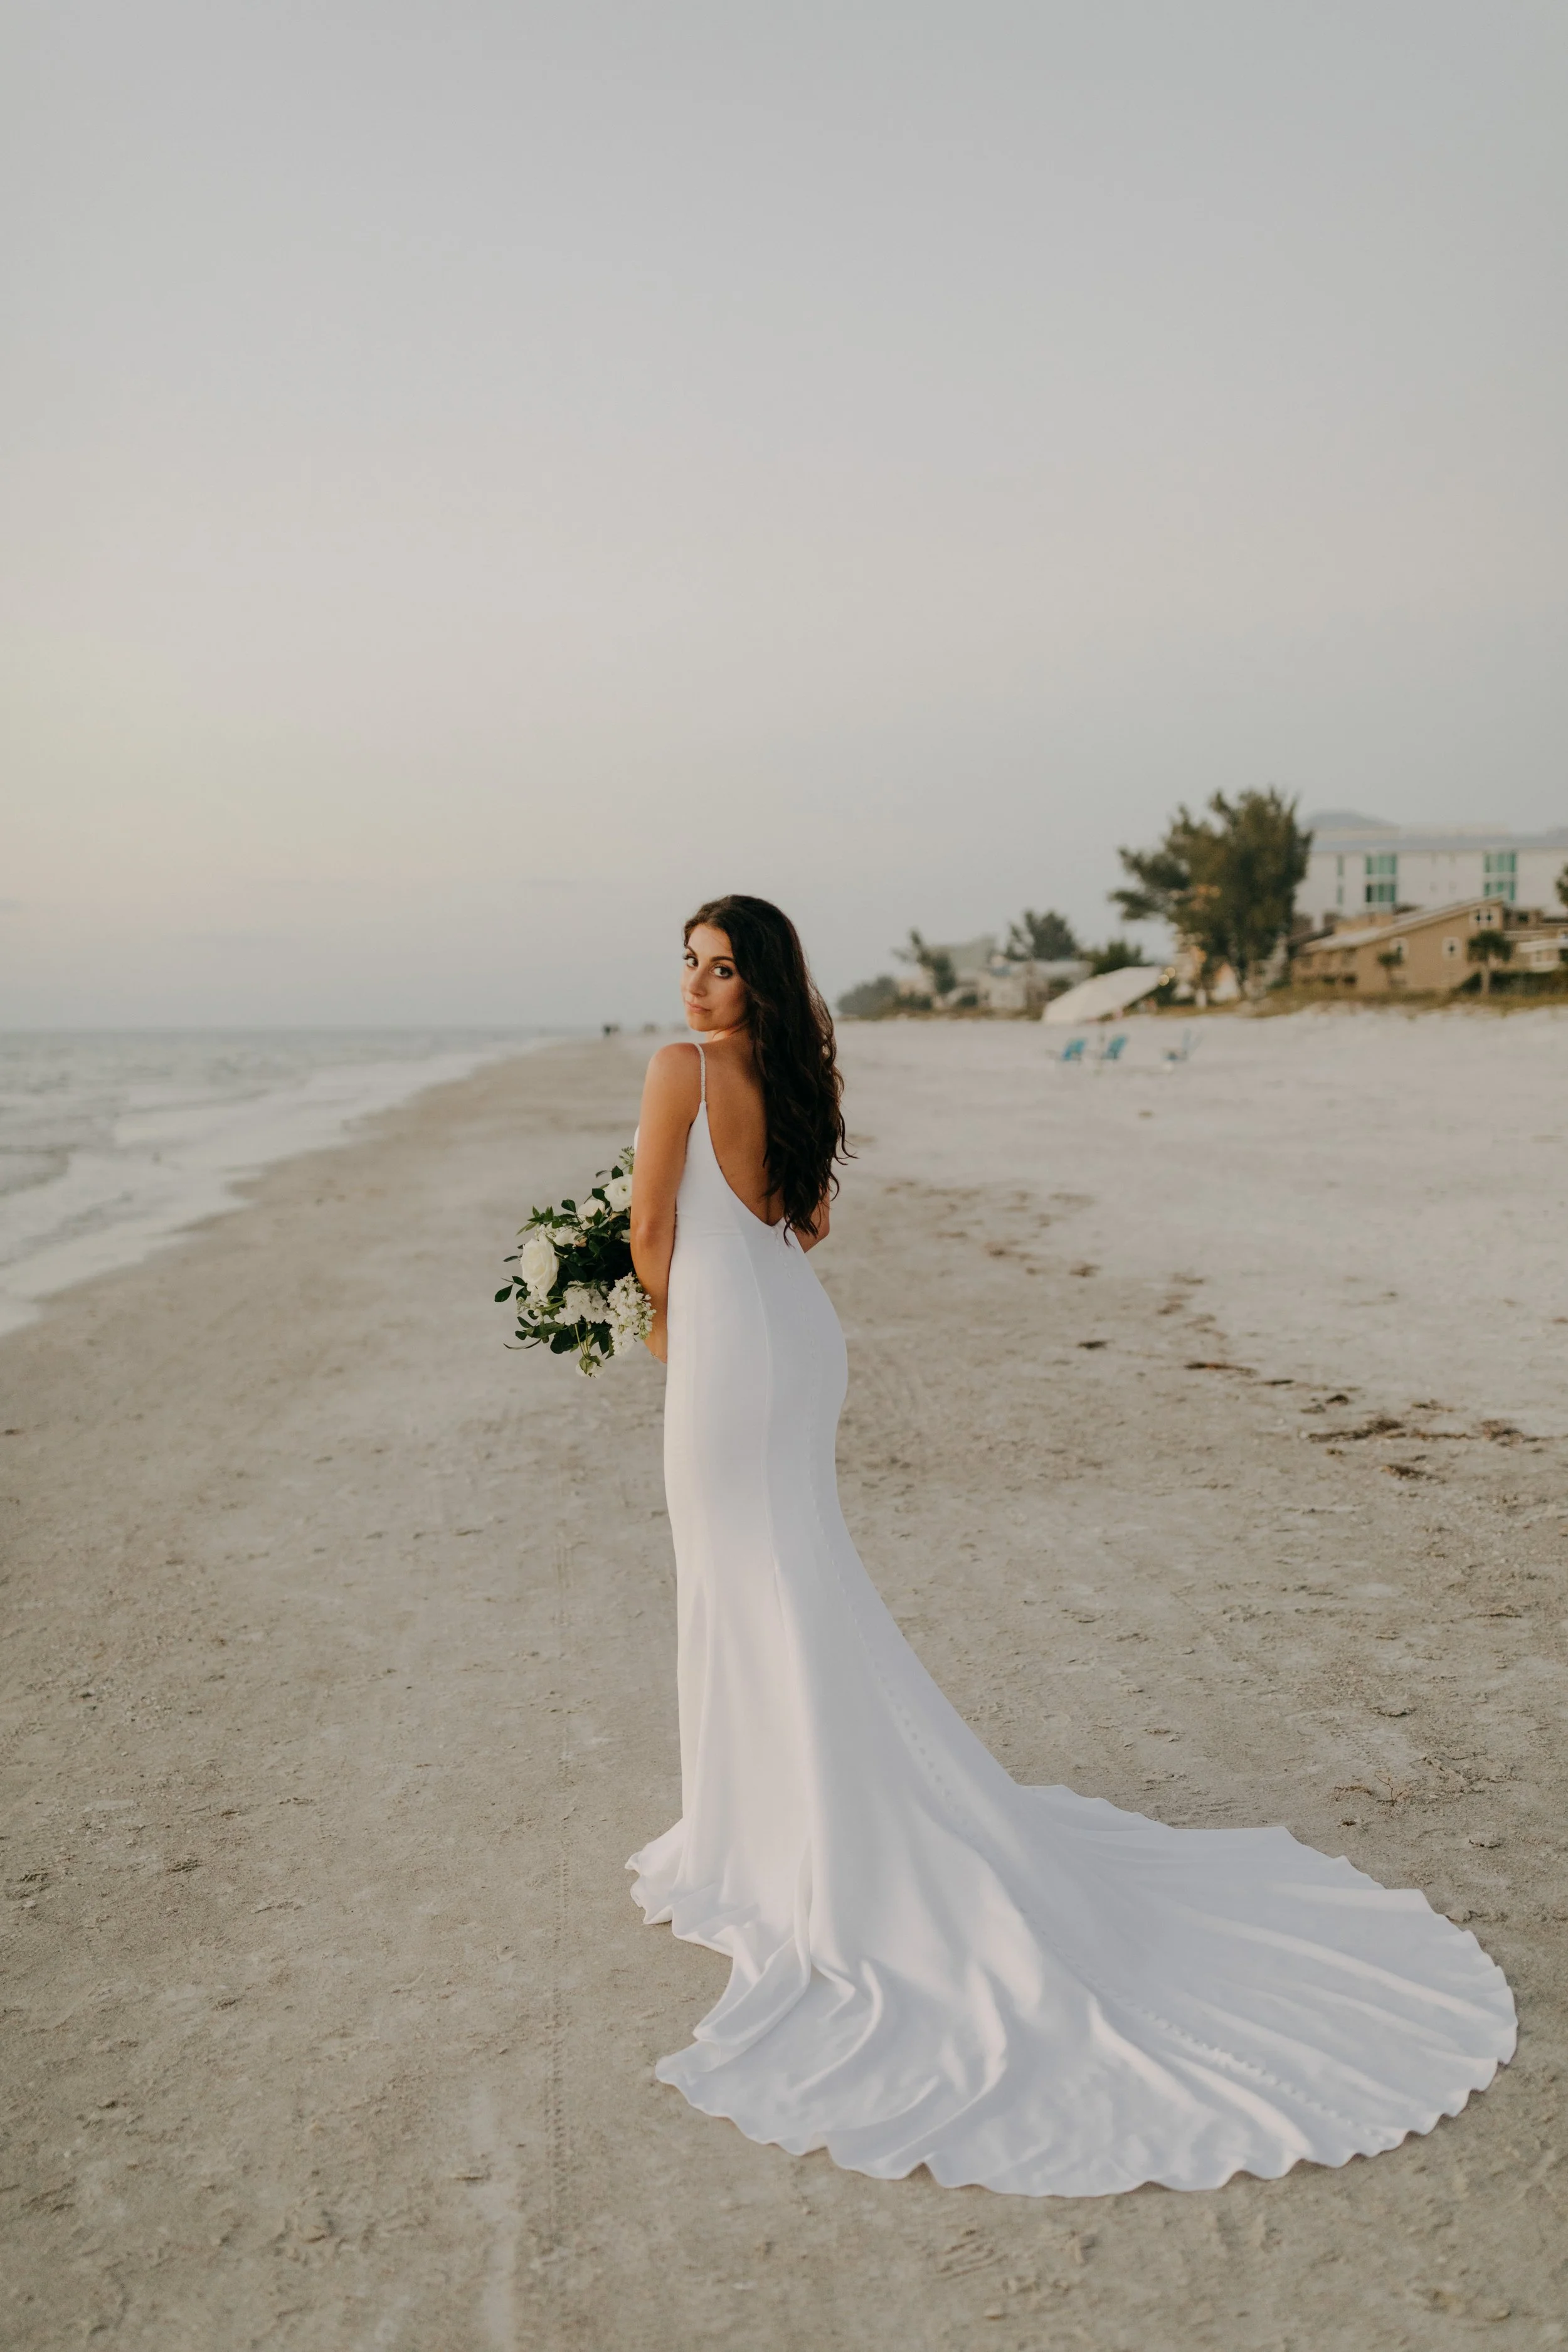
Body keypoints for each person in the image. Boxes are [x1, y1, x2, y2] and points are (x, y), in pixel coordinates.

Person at [627, 893, 1515, 2196]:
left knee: (740, 1579)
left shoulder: (676, 1069)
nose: (699, 990)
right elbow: (798, 1230)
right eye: (689, 969)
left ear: (754, 982)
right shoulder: (787, 1076)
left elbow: (653, 1234)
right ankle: (770, 1819)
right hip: (795, 1338)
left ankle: (763, 1834)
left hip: (723, 1353)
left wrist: (659, 1325)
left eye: (719, 970)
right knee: (788, 1580)